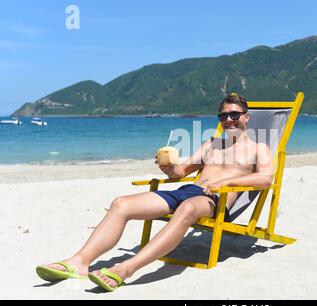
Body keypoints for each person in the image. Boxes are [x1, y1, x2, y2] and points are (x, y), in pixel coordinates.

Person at [36, 93, 274, 291]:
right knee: (121, 203)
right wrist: (169, 167)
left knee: (188, 208)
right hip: (187, 190)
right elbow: (180, 172)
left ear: (246, 117)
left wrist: (229, 184)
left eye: (235, 115)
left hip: (214, 201)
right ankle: (80, 262)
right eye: (224, 116)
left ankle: (126, 268)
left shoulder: (258, 147)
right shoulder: (211, 144)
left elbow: (266, 179)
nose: (229, 120)